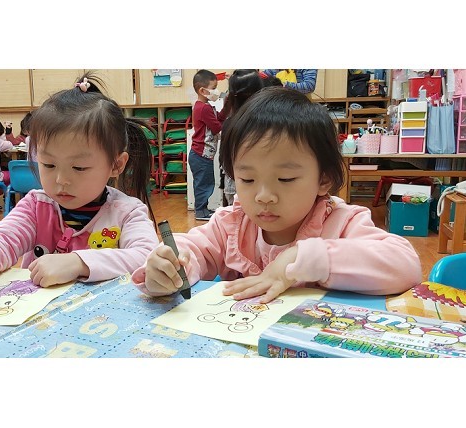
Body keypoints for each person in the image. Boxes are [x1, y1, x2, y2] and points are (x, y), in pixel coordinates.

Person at [132, 87, 422, 303]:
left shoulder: (342, 222)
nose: (264, 196)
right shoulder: (232, 225)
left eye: (285, 179)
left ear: (324, 179)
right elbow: (193, 248)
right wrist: (169, 268)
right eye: (247, 179)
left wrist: (301, 259)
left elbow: (405, 264)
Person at [0, 73, 159, 310]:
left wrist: (78, 262)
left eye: (79, 167)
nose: (61, 180)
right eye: (49, 165)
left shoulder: (127, 212)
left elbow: (145, 257)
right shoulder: (35, 206)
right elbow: (1, 241)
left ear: (116, 165)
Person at [220, 69, 263, 206]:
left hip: (236, 185)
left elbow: (224, 160)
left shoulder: (230, 123)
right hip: (257, 187)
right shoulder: (265, 123)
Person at [190, 69, 228, 221]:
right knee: (204, 184)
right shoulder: (204, 108)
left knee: (204, 182)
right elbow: (217, 127)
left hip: (201, 154)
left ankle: (203, 208)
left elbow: (218, 119)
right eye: (213, 88)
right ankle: (201, 211)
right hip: (201, 153)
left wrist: (226, 106)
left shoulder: (203, 106)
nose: (216, 91)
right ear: (202, 90)